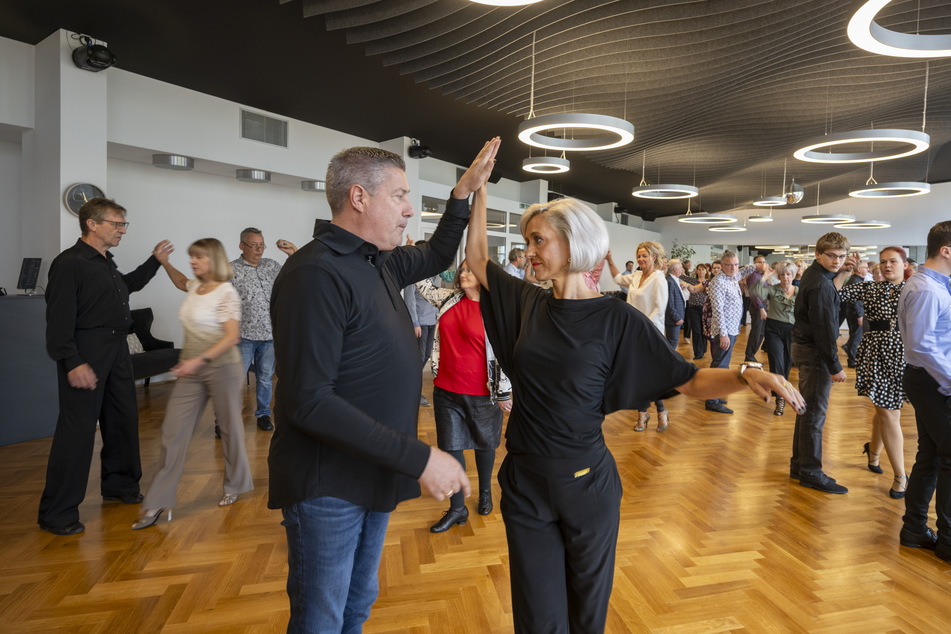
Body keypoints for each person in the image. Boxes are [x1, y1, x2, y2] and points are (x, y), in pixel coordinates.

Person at [465, 186, 805, 634]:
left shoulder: (617, 319)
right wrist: (475, 193)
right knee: (536, 616)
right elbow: (476, 260)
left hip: (585, 484)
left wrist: (745, 374)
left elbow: (687, 379)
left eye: (538, 240)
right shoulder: (528, 303)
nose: (529, 252)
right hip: (525, 479)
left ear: (573, 242)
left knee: (587, 614)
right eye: (527, 242)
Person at [267, 139, 500, 633]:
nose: (408, 209)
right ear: (359, 198)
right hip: (327, 482)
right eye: (399, 195)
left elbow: (438, 252)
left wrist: (464, 191)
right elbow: (309, 401)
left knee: (357, 603)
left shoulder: (379, 262)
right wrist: (421, 458)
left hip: (372, 468)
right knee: (321, 617)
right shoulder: (315, 272)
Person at [39, 197, 176, 536]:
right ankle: (56, 513)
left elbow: (127, 286)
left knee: (122, 420)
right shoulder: (70, 263)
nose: (122, 230)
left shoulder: (104, 261)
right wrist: (71, 361)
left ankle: (120, 486)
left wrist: (155, 262)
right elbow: (57, 320)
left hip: (116, 350)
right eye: (117, 224)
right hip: (85, 351)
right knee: (78, 432)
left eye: (123, 224)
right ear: (92, 224)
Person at [132, 238, 253, 529]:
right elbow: (180, 281)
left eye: (198, 257)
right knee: (172, 433)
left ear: (213, 259)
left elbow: (231, 337)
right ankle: (158, 501)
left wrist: (197, 361)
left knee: (229, 430)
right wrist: (163, 262)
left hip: (222, 368)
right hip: (192, 369)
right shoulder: (195, 288)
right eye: (192, 257)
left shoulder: (226, 293)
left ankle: (235, 484)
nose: (193, 262)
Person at [415, 261, 512, 533]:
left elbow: (505, 353)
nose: (463, 273)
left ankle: (484, 493)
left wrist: (504, 391)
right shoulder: (449, 298)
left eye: (470, 269)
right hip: (446, 388)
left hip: (483, 391)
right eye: (462, 269)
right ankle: (457, 507)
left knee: (485, 444)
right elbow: (422, 286)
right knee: (451, 446)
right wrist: (418, 256)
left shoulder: (496, 311)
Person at [897, 221, 951, 561]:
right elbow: (920, 345)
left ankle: (915, 528)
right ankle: (947, 540)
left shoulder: (933, 285)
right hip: (934, 381)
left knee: (930, 456)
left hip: (931, 379)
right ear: (946, 250)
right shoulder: (927, 289)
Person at [838, 247, 909, 498]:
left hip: (903, 351)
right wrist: (845, 270)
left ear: (904, 264)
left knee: (885, 409)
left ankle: (874, 452)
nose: (886, 266)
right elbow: (837, 293)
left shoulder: (914, 289)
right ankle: (901, 475)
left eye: (892, 262)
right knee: (888, 411)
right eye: (882, 262)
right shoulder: (870, 288)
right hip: (876, 350)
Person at [790, 232, 855, 495]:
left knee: (806, 411)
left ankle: (800, 466)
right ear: (818, 254)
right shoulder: (820, 284)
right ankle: (811, 472)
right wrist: (835, 366)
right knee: (815, 415)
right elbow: (825, 330)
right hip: (815, 353)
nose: (837, 261)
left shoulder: (815, 275)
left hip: (806, 349)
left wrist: (842, 274)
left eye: (841, 257)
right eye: (831, 256)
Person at [230, 229, 297, 433]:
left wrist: (292, 253)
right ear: (242, 245)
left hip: (270, 335)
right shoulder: (230, 270)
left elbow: (295, 274)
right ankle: (225, 420)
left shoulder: (271, 266)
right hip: (243, 336)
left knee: (266, 378)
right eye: (254, 245)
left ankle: (263, 415)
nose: (259, 249)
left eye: (262, 245)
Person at [607, 243, 671, 432]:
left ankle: (659, 411)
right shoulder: (635, 276)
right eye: (639, 256)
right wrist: (609, 259)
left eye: (645, 256)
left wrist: (642, 329)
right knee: (638, 375)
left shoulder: (659, 279)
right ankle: (644, 413)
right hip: (632, 333)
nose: (641, 259)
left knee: (650, 375)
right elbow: (618, 279)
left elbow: (659, 310)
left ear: (654, 257)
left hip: (651, 333)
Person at [704, 251, 757, 414]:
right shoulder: (718, 282)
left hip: (732, 328)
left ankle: (716, 394)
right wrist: (724, 333)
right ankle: (711, 400)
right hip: (724, 329)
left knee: (724, 365)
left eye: (736, 264)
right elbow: (718, 310)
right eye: (730, 265)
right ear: (722, 266)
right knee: (719, 365)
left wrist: (757, 265)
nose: (734, 267)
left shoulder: (732, 276)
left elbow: (746, 270)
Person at [750, 261, 798, 415]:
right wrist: (765, 276)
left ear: (793, 275)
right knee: (776, 362)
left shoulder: (799, 291)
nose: (785, 277)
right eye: (782, 274)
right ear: (778, 276)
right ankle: (780, 399)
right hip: (774, 329)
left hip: (792, 330)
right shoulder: (772, 289)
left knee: (787, 363)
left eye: (788, 274)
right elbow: (754, 292)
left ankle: (784, 392)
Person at [403, 239, 438, 407]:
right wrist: (415, 323)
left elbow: (435, 296)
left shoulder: (433, 272)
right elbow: (409, 300)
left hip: (432, 320)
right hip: (420, 323)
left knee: (425, 356)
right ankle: (412, 393)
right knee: (419, 357)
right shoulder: (413, 272)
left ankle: (410, 389)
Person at [839, 259, 867, 369]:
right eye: (865, 267)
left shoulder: (856, 280)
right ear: (859, 269)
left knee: (855, 335)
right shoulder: (855, 281)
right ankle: (852, 359)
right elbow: (855, 301)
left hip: (853, 313)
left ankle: (850, 352)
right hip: (855, 314)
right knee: (856, 336)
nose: (867, 269)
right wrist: (860, 315)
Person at [743, 255, 768, 362]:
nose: (762, 264)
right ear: (754, 264)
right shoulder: (754, 276)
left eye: (764, 261)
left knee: (761, 333)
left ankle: (751, 355)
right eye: (759, 262)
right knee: (756, 333)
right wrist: (761, 308)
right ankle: (749, 356)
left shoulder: (762, 276)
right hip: (758, 307)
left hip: (764, 306)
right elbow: (754, 294)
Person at [683, 263, 710, 360]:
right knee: (696, 330)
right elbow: (682, 276)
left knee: (704, 330)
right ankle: (698, 352)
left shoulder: (708, 282)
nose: (701, 271)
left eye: (703, 269)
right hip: (693, 308)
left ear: (706, 271)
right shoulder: (693, 280)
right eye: (699, 269)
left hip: (705, 309)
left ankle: (703, 348)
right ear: (696, 271)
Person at [664, 258, 688, 349]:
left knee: (673, 343)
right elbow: (669, 303)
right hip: (673, 320)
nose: (682, 270)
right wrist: (677, 318)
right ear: (675, 269)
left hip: (676, 319)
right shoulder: (670, 281)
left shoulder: (674, 280)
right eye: (681, 267)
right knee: (672, 345)